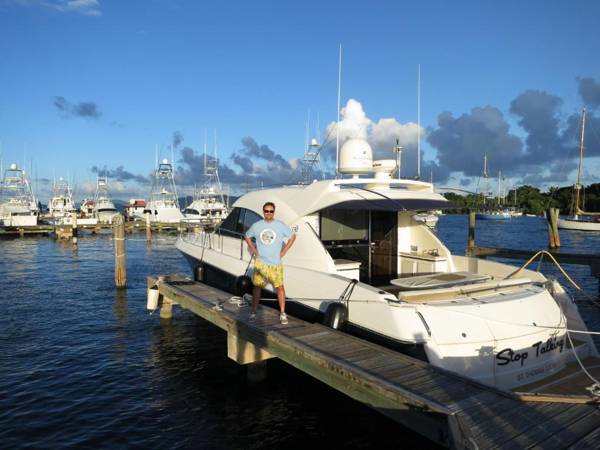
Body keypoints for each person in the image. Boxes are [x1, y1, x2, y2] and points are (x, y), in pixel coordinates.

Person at [244, 202, 296, 324]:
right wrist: (254, 250)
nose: (268, 213)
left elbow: (292, 237)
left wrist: (284, 251)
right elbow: (247, 236)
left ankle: (283, 313)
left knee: (280, 288)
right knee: (257, 287)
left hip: (275, 264)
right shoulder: (257, 225)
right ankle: (253, 311)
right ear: (263, 212)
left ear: (274, 212)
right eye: (266, 211)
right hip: (261, 263)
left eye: (271, 211)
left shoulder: (280, 225)